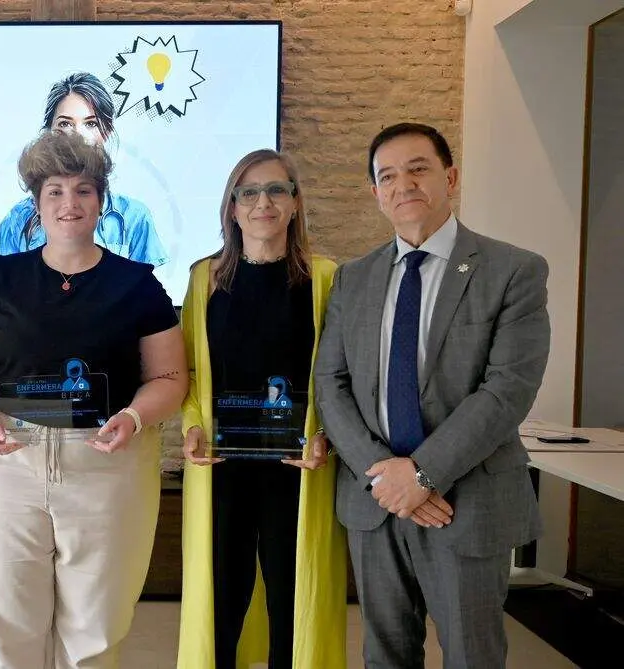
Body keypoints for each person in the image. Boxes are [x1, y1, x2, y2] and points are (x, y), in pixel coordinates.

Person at [0, 130, 187, 669]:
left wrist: (135, 416)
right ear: (36, 203)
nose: (68, 204)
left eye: (82, 191)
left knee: (96, 625)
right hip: (5, 461)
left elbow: (169, 376)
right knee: (5, 619)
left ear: (101, 201)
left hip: (108, 464)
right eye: (54, 191)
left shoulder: (138, 284)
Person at [315, 122, 550, 668]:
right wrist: (385, 474)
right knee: (385, 655)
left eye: (418, 169)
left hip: (466, 502)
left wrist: (420, 475)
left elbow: (507, 390)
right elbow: (331, 384)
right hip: (377, 502)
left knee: (472, 655)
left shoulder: (513, 271)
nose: (404, 185)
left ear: (450, 176)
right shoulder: (355, 278)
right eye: (387, 176)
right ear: (375, 194)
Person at [176, 149, 348, 669]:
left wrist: (327, 437)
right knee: (221, 594)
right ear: (231, 208)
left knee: (289, 594)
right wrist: (191, 428)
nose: (263, 202)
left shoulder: (326, 279)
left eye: (277, 189)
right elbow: (188, 372)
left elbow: (341, 376)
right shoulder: (204, 278)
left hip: (296, 467)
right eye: (248, 192)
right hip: (222, 466)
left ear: (296, 203)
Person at [0, 72, 168, 267]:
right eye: (65, 123)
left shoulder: (134, 217)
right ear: (48, 132)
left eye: (90, 124)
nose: (77, 135)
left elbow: (143, 291)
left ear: (106, 132)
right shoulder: (19, 218)